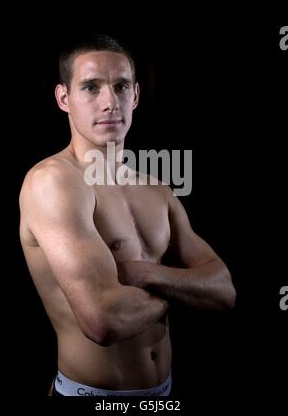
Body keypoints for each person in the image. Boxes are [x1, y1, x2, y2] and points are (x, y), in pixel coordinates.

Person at [19, 34, 236, 397]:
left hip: (165, 393)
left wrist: (147, 274)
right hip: (91, 396)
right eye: (91, 87)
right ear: (63, 99)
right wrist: (183, 290)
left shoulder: (156, 189)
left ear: (135, 96)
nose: (109, 103)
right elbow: (104, 321)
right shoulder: (53, 182)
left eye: (120, 86)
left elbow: (225, 290)